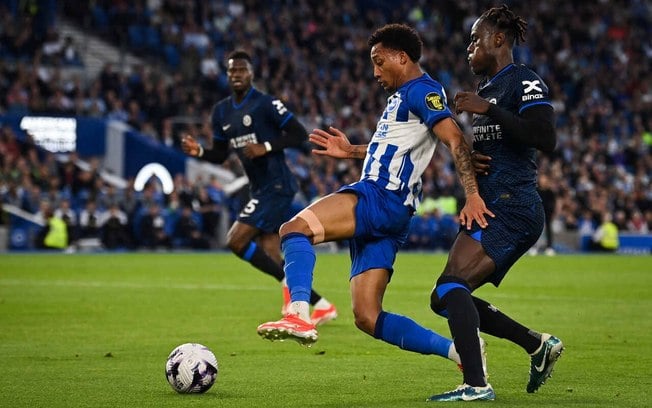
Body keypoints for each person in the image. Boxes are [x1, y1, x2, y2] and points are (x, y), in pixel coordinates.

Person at [257, 24, 492, 374]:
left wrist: (471, 195)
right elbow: (392, 148)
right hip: (393, 212)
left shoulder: (421, 90)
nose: (375, 72)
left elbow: (455, 138)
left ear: (401, 57)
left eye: (380, 62)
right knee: (367, 316)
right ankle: (460, 352)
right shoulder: (403, 98)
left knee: (294, 229)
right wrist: (350, 149)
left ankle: (299, 314)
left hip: (381, 195)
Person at [427, 5, 563, 402]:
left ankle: (476, 384)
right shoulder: (483, 91)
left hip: (515, 206)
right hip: (488, 205)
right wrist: (473, 155)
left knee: (452, 286)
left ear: (498, 40)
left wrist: (489, 110)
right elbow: (500, 146)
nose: (469, 48)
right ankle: (537, 345)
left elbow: (544, 136)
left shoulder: (523, 81)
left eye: (475, 39)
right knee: (444, 297)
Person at [181, 50, 337, 324]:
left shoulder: (265, 104)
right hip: (259, 189)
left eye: (241, 70)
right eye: (231, 70)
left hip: (277, 185)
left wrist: (265, 146)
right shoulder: (222, 112)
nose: (236, 75)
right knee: (270, 252)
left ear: (251, 74)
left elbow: (299, 133)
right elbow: (219, 155)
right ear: (227, 75)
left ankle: (297, 298)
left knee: (236, 240)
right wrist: (199, 152)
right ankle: (319, 305)